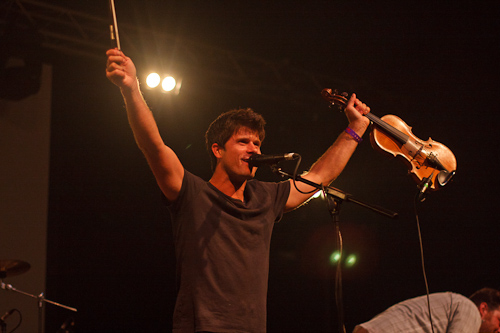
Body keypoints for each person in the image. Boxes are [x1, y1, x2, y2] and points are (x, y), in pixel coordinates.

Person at [106, 48, 370, 332]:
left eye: (257, 144)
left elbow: (319, 175)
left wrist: (355, 129)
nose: (253, 149)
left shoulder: (265, 198)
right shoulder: (193, 193)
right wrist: (131, 89)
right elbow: (153, 145)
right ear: (217, 150)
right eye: (243, 142)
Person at [353, 287, 500, 333]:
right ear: (483, 308)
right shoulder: (470, 309)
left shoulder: (453, 303)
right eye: (499, 320)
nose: (499, 330)